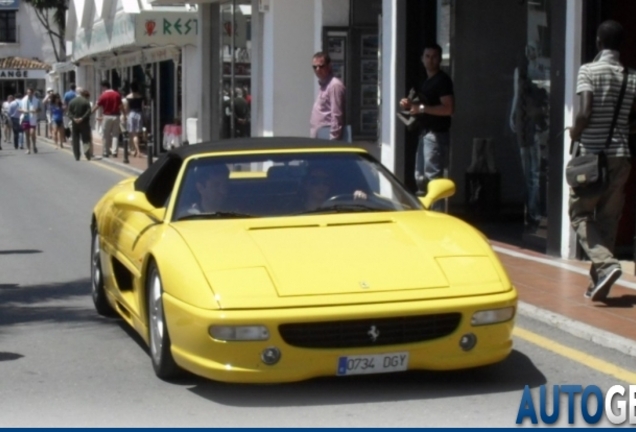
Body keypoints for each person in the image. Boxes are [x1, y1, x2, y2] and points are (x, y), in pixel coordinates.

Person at [568, 20, 636, 301]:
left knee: (579, 214)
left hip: (592, 158)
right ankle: (599, 282)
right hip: (621, 156)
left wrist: (575, 130)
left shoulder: (588, 70)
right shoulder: (631, 76)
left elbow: (584, 111)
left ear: (598, 42)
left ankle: (606, 266)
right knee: (608, 220)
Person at [399, 43, 455, 210]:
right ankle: (425, 214)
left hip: (436, 135)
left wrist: (421, 108)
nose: (430, 60)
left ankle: (437, 216)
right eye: (427, 56)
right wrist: (409, 105)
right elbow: (420, 105)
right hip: (424, 133)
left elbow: (449, 108)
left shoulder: (442, 81)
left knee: (433, 180)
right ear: (422, 59)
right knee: (420, 178)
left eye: (434, 57)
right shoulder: (425, 81)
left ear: (439, 59)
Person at [510, 42, 550, 232]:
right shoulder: (521, 71)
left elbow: (546, 92)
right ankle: (532, 212)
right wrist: (512, 116)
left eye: (533, 48)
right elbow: (516, 96)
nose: (530, 52)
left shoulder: (542, 68)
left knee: (534, 172)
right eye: (527, 49)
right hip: (524, 124)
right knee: (529, 171)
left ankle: (534, 212)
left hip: (537, 124)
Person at [310, 51, 346, 141]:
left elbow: (336, 115)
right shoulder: (324, 85)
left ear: (329, 66)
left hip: (327, 140)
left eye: (321, 66)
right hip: (319, 138)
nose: (317, 69)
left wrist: (332, 142)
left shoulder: (334, 85)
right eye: (315, 67)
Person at [299, 165, 367, 212]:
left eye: (326, 182)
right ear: (306, 185)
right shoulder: (293, 211)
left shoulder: (339, 209)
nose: (321, 185)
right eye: (315, 182)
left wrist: (359, 201)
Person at [91, 80, 122, 158]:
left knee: (105, 135)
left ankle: (106, 151)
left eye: (102, 87)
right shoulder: (117, 94)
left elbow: (97, 105)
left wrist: (91, 112)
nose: (101, 89)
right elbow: (121, 105)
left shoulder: (103, 95)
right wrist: (124, 114)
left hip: (107, 116)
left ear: (104, 87)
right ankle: (114, 151)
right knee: (115, 135)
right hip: (116, 116)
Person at [68, 88, 94, 161]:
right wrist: (82, 118)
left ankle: (77, 155)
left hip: (75, 123)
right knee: (86, 138)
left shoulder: (72, 102)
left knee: (75, 139)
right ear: (82, 93)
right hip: (84, 123)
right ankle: (86, 150)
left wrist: (74, 118)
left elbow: (69, 113)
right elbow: (89, 111)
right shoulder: (86, 101)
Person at [123, 82, 144, 157]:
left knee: (133, 134)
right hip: (139, 114)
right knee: (137, 134)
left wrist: (126, 115)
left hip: (131, 114)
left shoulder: (128, 97)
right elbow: (142, 107)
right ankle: (135, 150)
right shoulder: (140, 96)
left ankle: (137, 151)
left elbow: (126, 108)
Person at [19, 87, 41, 155]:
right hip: (25, 118)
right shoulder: (23, 100)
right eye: (28, 92)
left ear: (33, 93)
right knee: (27, 134)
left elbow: (40, 109)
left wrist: (35, 110)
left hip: (33, 118)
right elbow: (19, 109)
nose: (29, 94)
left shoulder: (36, 100)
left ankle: (34, 145)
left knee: (32, 133)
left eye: (30, 93)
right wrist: (23, 110)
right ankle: (28, 148)